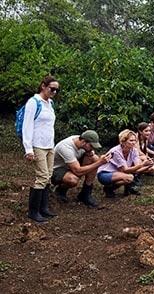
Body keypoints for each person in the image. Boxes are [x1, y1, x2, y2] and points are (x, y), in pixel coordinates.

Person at [22, 76, 58, 222]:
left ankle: (44, 208)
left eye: (57, 89)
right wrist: (28, 149)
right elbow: (27, 125)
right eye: (52, 88)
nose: (55, 92)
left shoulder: (50, 103)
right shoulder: (33, 102)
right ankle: (33, 211)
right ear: (43, 86)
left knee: (48, 176)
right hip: (38, 145)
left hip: (50, 144)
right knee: (42, 177)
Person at [52, 130, 112, 207]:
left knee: (94, 158)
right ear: (84, 142)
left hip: (71, 164)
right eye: (91, 146)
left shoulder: (81, 141)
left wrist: (91, 153)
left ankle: (85, 193)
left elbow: (90, 155)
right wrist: (100, 163)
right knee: (72, 179)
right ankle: (60, 190)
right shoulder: (65, 148)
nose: (92, 148)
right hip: (57, 169)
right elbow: (77, 171)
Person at [97, 129, 154, 198]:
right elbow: (126, 170)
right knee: (129, 177)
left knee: (131, 175)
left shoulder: (134, 150)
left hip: (118, 173)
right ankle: (108, 189)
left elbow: (136, 169)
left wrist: (148, 165)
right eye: (131, 140)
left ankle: (128, 188)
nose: (133, 143)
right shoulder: (116, 151)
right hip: (105, 173)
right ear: (123, 142)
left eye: (134, 140)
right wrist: (143, 164)